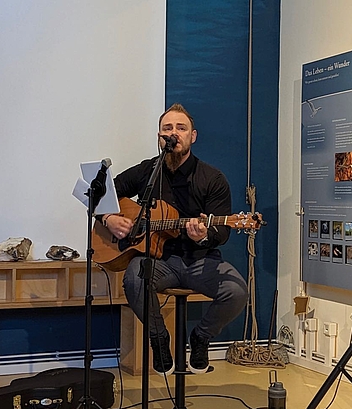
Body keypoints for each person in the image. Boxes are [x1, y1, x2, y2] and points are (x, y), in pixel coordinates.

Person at [102, 103, 248, 376]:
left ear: (193, 136)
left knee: (237, 291)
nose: (174, 133)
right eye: (167, 128)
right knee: (134, 278)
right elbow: (101, 194)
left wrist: (204, 235)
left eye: (181, 128)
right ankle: (158, 338)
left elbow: (223, 231)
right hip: (159, 261)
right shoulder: (147, 171)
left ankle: (201, 338)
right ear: (160, 137)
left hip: (199, 261)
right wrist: (108, 219)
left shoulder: (213, 178)